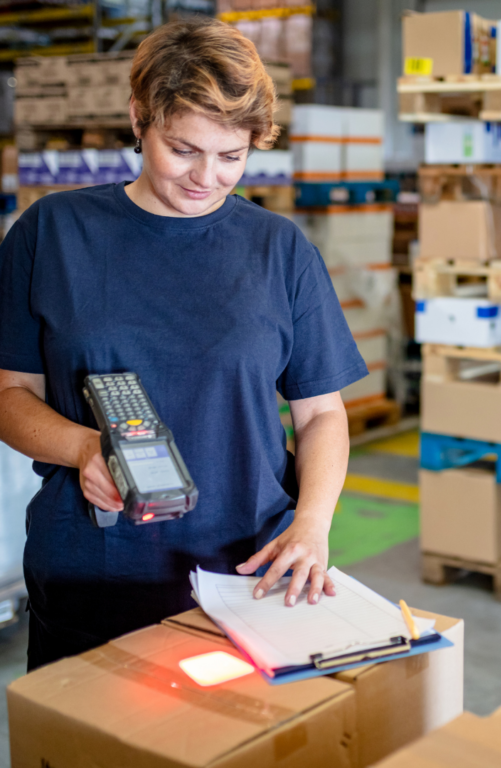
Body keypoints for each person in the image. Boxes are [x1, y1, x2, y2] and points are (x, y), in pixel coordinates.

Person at [0, 17, 369, 671]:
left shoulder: (278, 250)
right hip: (94, 570)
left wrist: (312, 524)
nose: (207, 177)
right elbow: (9, 396)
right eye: (184, 149)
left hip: (247, 574)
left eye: (232, 156)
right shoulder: (53, 233)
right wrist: (84, 446)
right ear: (139, 117)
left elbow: (322, 413)